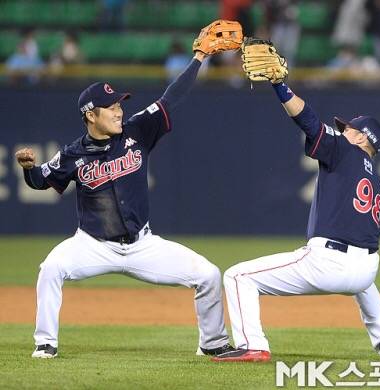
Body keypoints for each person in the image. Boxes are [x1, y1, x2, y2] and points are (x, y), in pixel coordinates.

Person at [16, 32, 234, 359]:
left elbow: (170, 98)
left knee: (208, 274)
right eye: (110, 106)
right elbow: (40, 181)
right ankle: (45, 343)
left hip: (143, 244)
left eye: (119, 104)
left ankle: (213, 343)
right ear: (90, 115)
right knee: (51, 268)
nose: (118, 111)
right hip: (93, 244)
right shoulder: (73, 154)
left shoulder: (136, 130)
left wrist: (199, 58)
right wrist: (29, 168)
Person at [212, 44, 380, 362]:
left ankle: (254, 345)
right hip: (366, 266)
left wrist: (279, 85)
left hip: (327, 263)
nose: (343, 131)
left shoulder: (346, 150)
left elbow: (308, 120)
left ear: (362, 138)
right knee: (364, 281)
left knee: (237, 276)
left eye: (349, 129)